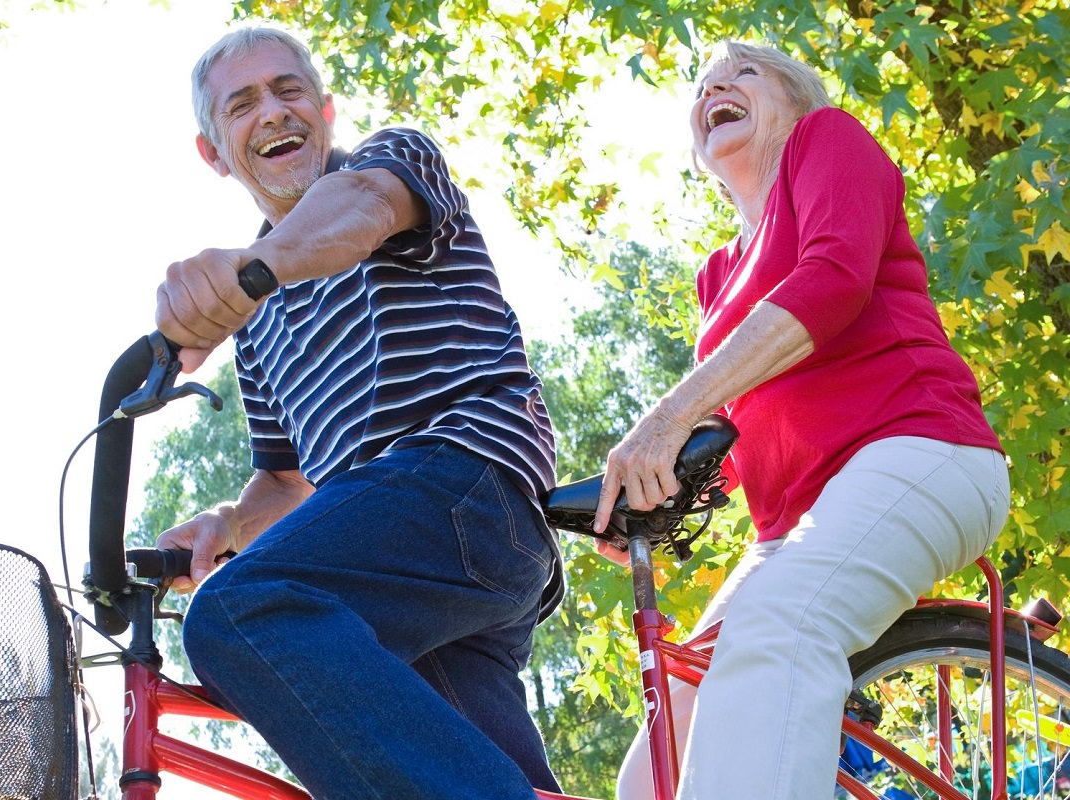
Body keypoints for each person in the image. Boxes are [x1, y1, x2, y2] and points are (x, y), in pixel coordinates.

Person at [152, 26, 564, 800]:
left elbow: (361, 211)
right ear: (213, 152)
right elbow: (284, 479)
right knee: (478, 773)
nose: (273, 113)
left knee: (241, 611)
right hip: (391, 548)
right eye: (243, 105)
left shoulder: (390, 165)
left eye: (289, 91)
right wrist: (227, 524)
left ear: (327, 110)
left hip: (464, 486)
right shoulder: (260, 321)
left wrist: (245, 274)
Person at [596, 41, 1010, 799]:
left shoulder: (826, 141)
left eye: (743, 73)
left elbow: (833, 279)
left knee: (778, 631)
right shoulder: (718, 274)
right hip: (792, 529)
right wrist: (651, 496)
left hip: (923, 450)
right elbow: (735, 427)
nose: (716, 84)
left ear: (795, 102)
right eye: (703, 84)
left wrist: (668, 413)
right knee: (659, 755)